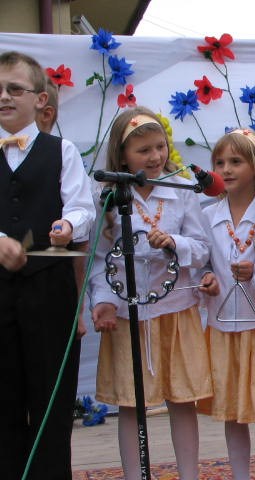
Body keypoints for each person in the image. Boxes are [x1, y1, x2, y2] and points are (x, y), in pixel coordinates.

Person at [89, 106, 211, 480]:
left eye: (160, 147)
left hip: (176, 311)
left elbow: (202, 248)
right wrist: (103, 301)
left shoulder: (182, 189)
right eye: (144, 150)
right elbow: (99, 257)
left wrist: (174, 242)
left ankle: (189, 474)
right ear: (123, 155)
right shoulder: (107, 196)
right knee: (131, 403)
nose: (156, 156)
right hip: (128, 315)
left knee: (183, 400)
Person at [0, 51, 95, 480]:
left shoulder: (62, 150)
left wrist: (67, 224)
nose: (4, 97)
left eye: (14, 89)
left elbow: (82, 207)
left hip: (49, 290)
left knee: (51, 403)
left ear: (40, 100)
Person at [197, 128, 255, 479]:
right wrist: (207, 277)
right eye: (220, 163)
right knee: (232, 413)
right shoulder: (207, 215)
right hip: (222, 326)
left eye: (236, 161)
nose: (226, 169)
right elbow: (201, 261)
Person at [36, 74, 89, 339]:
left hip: (51, 293)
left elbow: (80, 246)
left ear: (46, 113)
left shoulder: (63, 155)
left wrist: (78, 310)